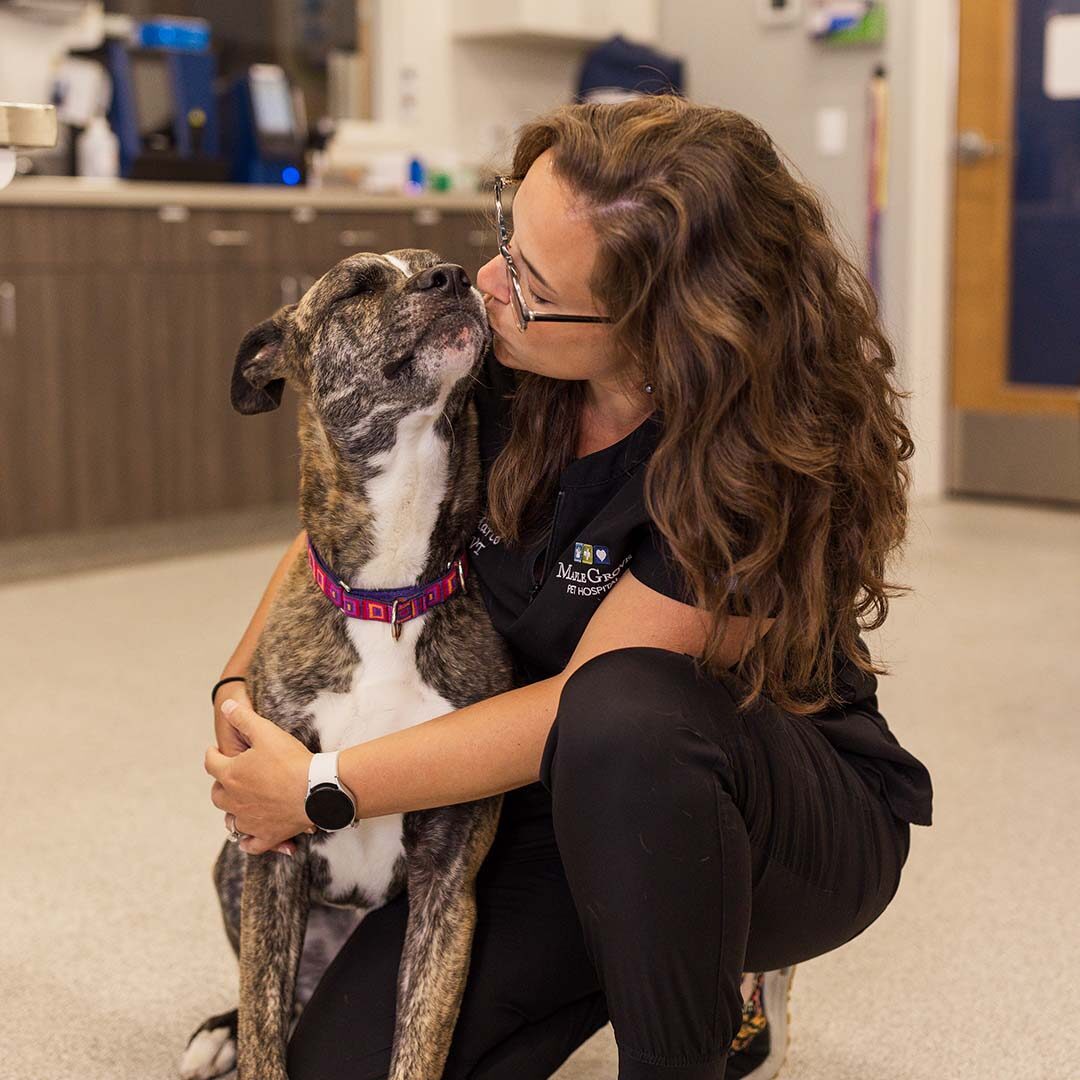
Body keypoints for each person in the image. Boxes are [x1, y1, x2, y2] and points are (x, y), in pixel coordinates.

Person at [204, 95, 934, 1080]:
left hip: (757, 809)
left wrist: (321, 789)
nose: (494, 284)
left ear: (658, 326)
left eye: (536, 282)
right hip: (546, 797)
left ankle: (707, 993)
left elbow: (576, 706)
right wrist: (239, 692)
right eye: (505, 237)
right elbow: (344, 522)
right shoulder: (500, 358)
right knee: (343, 1064)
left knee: (627, 714)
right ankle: (628, 940)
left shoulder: (752, 459)